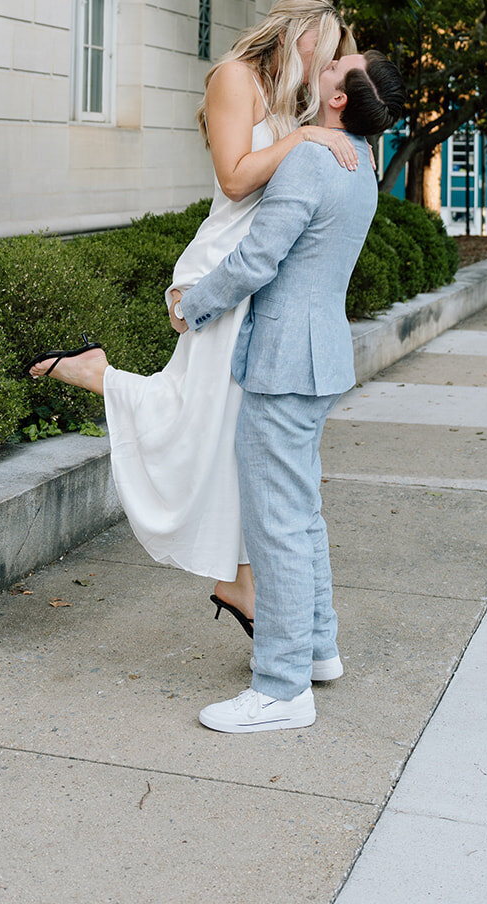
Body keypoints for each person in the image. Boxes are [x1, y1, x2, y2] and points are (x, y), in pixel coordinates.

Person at [26, 0, 358, 629]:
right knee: (203, 419)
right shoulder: (235, 78)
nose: (336, 56)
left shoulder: (299, 98)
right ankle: (96, 376)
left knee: (235, 432)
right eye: (331, 42)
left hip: (268, 271)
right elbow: (234, 178)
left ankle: (240, 581)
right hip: (226, 269)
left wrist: (322, 130)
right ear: (299, 33)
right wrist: (309, 137)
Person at [172, 51, 407, 733]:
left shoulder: (313, 160)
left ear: (338, 99)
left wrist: (194, 304)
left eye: (340, 66)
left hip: (283, 359)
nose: (330, 62)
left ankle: (280, 689)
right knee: (299, 512)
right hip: (317, 354)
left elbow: (257, 259)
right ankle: (317, 648)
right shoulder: (358, 158)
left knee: (277, 522)